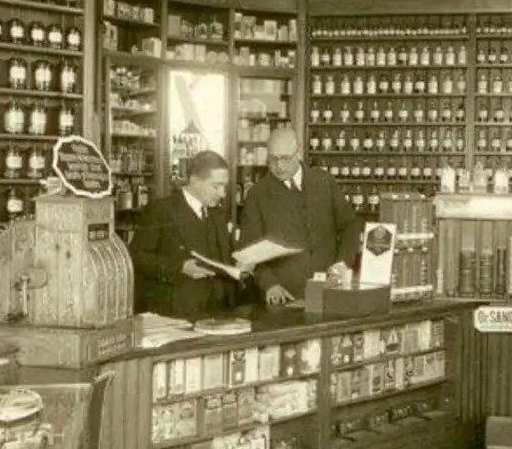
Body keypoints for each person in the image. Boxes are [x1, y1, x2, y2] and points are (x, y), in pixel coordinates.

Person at [237, 127, 362, 306]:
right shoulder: (257, 194)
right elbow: (249, 248)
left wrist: (342, 262)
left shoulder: (325, 182)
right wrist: (270, 285)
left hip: (329, 290)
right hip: (284, 297)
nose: (279, 166)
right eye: (273, 159)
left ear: (299, 152)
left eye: (285, 158)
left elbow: (349, 225)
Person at [128, 150, 248, 319]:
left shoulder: (218, 213)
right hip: (177, 314)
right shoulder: (161, 210)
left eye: (224, 186)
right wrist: (179, 267)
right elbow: (135, 257)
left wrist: (241, 262)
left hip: (219, 312)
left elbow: (224, 256)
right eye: (216, 186)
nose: (222, 193)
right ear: (194, 180)